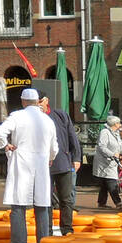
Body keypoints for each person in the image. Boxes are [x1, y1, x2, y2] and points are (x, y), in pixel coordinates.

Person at [0, 87, 58, 243]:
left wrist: (6, 145)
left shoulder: (17, 116)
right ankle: (44, 242)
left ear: (23, 101)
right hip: (41, 162)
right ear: (38, 102)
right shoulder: (47, 120)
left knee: (18, 203)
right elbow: (54, 147)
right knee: (42, 203)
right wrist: (50, 158)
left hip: (21, 162)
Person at [41, 96, 82, 235]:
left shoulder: (60, 115)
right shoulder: (33, 118)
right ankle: (47, 231)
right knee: (45, 199)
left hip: (62, 161)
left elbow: (72, 136)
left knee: (66, 198)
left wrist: (76, 157)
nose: (38, 105)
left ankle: (67, 229)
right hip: (42, 164)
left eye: (40, 101)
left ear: (46, 100)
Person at [92, 115, 122, 209]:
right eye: (119, 123)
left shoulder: (116, 133)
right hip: (104, 162)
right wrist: (112, 154)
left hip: (112, 162)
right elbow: (102, 146)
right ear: (115, 124)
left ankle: (101, 203)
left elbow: (120, 146)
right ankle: (118, 203)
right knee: (111, 181)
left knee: (104, 183)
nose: (120, 125)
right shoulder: (105, 132)